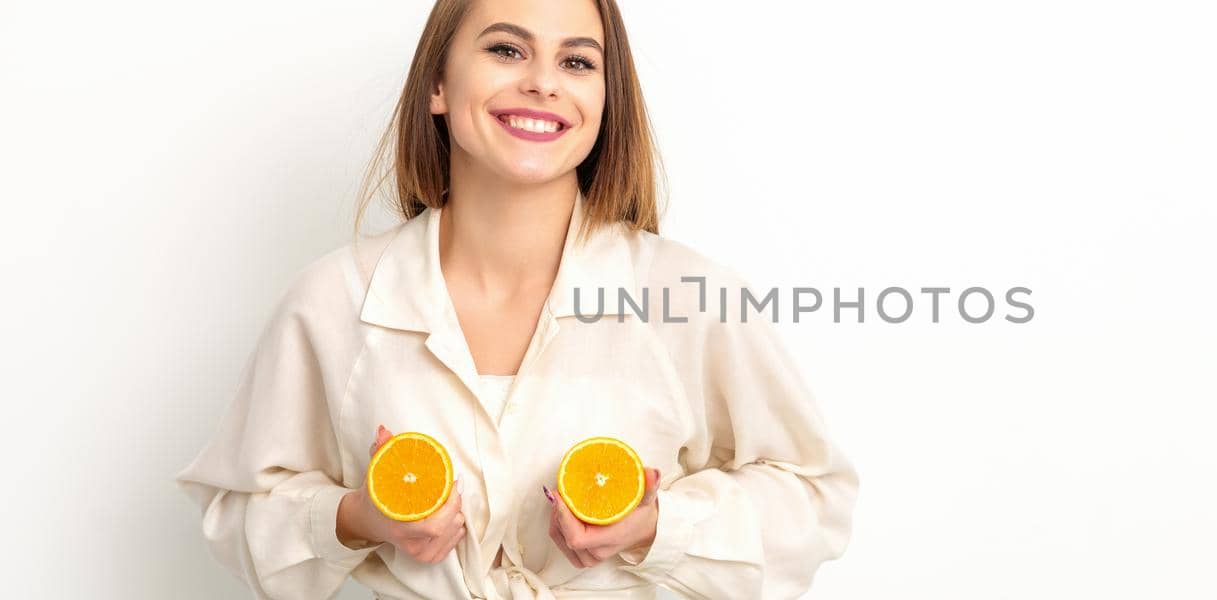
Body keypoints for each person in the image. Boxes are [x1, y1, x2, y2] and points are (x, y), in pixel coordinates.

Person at [173, 0, 859, 598]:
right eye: (506, 49)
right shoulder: (332, 300)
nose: (541, 83)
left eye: (578, 63)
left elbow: (814, 498)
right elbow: (238, 515)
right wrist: (357, 518)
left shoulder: (686, 299)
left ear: (605, 100)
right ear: (438, 83)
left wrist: (658, 528)